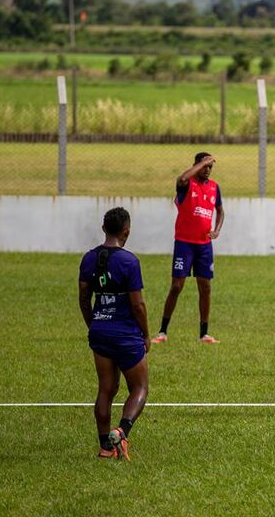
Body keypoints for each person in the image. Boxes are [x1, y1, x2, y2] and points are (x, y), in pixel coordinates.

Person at [78, 207, 150, 461]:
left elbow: (84, 299)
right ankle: (121, 431)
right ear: (126, 231)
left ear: (103, 228)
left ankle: (105, 447)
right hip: (126, 334)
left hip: (99, 331)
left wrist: (94, 325)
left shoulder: (88, 259)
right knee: (139, 387)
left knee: (106, 389)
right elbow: (138, 305)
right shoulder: (129, 261)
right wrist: (146, 334)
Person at [152, 152, 224, 344]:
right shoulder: (187, 184)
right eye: (204, 166)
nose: (208, 170)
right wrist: (201, 164)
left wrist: (216, 230)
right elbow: (182, 177)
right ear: (196, 165)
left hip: (204, 246)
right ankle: (162, 331)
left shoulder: (214, 188)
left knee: (205, 287)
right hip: (184, 243)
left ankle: (204, 333)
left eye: (210, 167)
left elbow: (220, 210)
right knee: (176, 286)